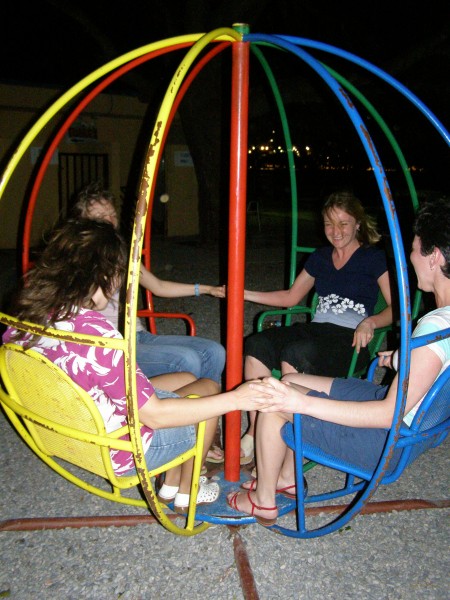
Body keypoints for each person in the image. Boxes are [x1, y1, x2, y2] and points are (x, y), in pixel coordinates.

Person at [3, 218, 275, 513]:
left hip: (73, 417)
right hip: (117, 447)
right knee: (210, 396)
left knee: (187, 378)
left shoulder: (25, 313)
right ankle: (189, 491)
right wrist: (238, 398)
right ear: (105, 273)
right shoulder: (96, 333)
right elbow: (156, 416)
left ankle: (171, 482)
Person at [226, 197, 450, 525]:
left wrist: (301, 404)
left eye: (415, 249)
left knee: (277, 399)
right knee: (287, 382)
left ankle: (263, 502)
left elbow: (387, 415)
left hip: (388, 443)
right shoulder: (440, 323)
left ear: (435, 257)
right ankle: (285, 478)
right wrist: (404, 359)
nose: (410, 257)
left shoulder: (432, 326)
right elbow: (432, 368)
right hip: (410, 429)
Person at [71, 182, 227, 463]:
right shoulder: (81, 258)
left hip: (138, 336)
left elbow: (158, 285)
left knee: (213, 351)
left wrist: (205, 288)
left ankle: (206, 428)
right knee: (187, 361)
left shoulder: (121, 252)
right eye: (98, 216)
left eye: (110, 215)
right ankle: (176, 438)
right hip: (115, 345)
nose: (107, 221)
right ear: (83, 222)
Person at [239, 191, 393, 464]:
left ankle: (290, 446)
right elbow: (290, 297)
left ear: (358, 223)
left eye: (343, 224)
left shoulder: (373, 258)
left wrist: (371, 321)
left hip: (350, 340)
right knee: (256, 344)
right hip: (318, 328)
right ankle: (256, 431)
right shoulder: (320, 257)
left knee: (296, 354)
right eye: (329, 224)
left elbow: (397, 309)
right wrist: (242, 293)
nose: (336, 231)